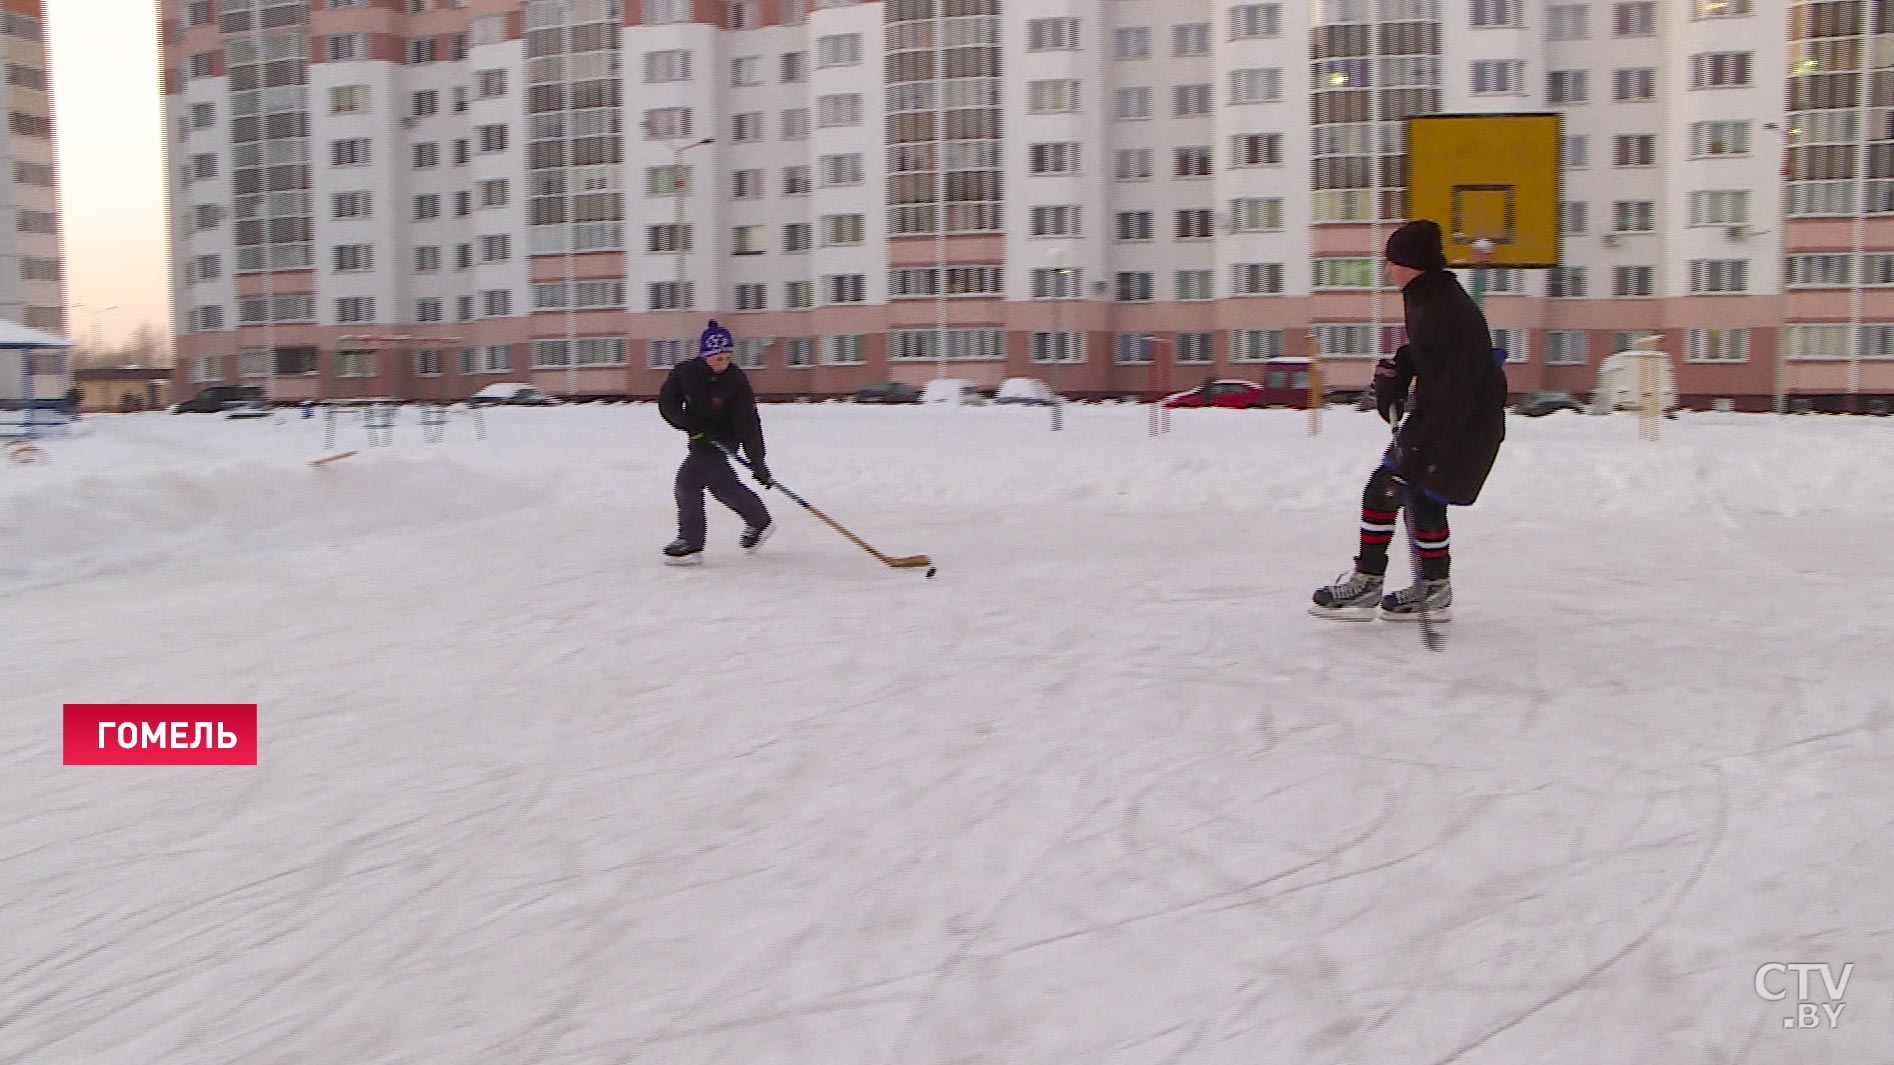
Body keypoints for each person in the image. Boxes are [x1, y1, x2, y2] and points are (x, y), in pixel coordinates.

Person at [1310, 219, 1508, 621]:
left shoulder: (1439, 306)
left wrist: (1422, 448)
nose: (1387, 270)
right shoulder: (1429, 296)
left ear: (1410, 263)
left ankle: (1373, 582)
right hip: (1454, 419)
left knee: (1388, 490)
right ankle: (1432, 587)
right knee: (1419, 499)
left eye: (1392, 262)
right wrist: (1397, 371)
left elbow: (1458, 387)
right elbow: (1432, 354)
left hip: (1461, 424)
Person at [657, 319, 773, 566]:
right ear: (705, 355)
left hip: (724, 440)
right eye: (718, 358)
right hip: (699, 437)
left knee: (687, 482)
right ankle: (759, 520)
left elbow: (749, 422)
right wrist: (688, 423)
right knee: (722, 486)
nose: (723, 364)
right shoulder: (685, 373)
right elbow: (667, 403)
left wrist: (757, 461)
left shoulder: (736, 381)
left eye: (727, 358)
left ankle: (690, 543)